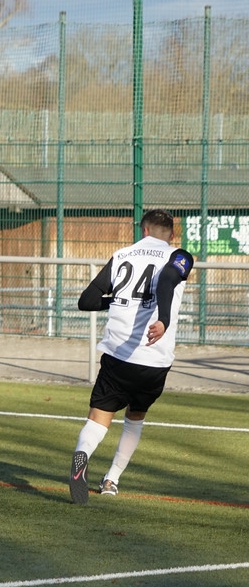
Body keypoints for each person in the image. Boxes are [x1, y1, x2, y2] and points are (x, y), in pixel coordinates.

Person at [69, 209, 193, 504]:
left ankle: (82, 457)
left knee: (98, 419)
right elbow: (167, 280)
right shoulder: (180, 256)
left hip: (117, 356)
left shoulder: (122, 255)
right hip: (154, 360)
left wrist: (118, 299)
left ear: (144, 230)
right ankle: (111, 479)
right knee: (135, 419)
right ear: (172, 234)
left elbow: (87, 301)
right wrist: (163, 320)